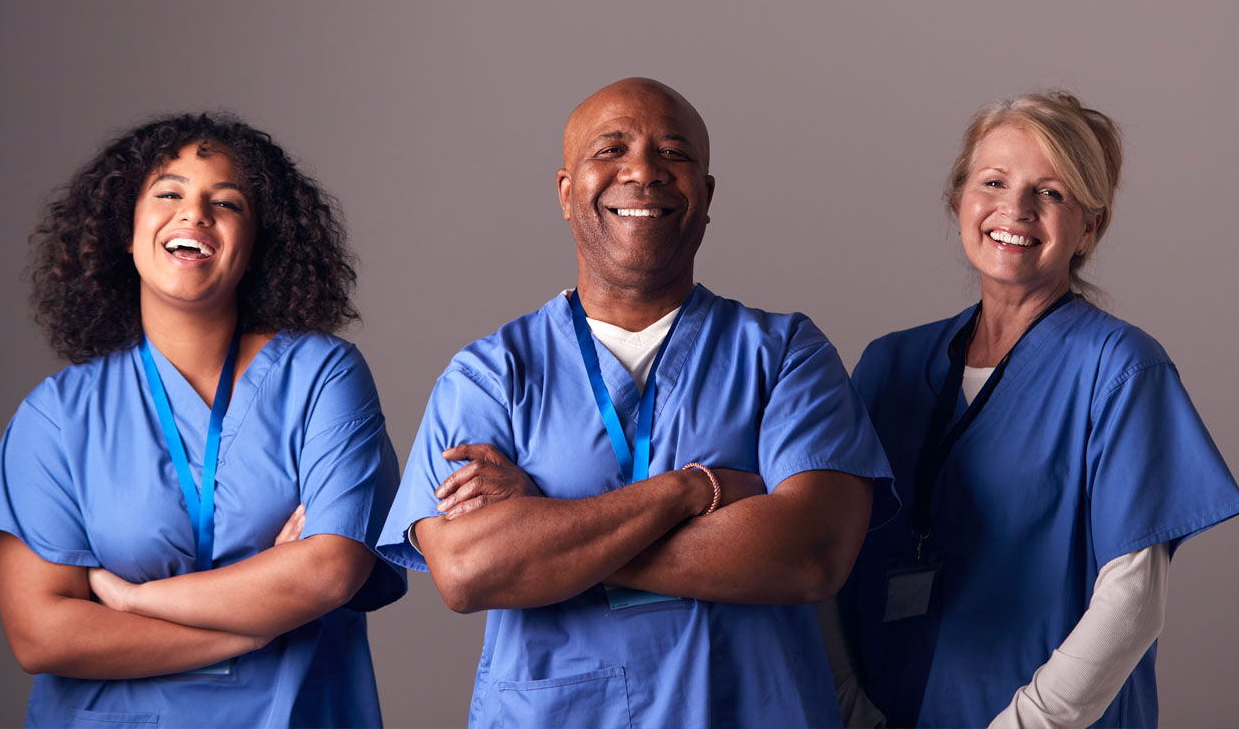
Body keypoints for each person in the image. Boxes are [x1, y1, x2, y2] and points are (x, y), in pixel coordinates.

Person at [377, 77, 893, 728]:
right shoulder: (489, 375)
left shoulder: (785, 354)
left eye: (673, 153)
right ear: (567, 193)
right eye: (611, 149)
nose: (643, 171)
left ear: (705, 197)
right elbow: (472, 571)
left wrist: (546, 533)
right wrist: (689, 492)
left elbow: (811, 554)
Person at [0, 113, 405, 727]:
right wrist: (253, 627)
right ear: (126, 228)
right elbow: (41, 634)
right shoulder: (58, 414)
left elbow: (329, 571)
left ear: (255, 246)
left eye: (226, 203)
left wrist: (131, 599)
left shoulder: (321, 376)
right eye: (169, 193)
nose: (194, 214)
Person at [831, 92, 1239, 728]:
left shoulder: (1121, 368)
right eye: (993, 181)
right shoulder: (887, 368)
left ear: (1089, 226)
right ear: (959, 200)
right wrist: (851, 710)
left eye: (1050, 192)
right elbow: (823, 552)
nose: (1015, 209)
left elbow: (1132, 601)